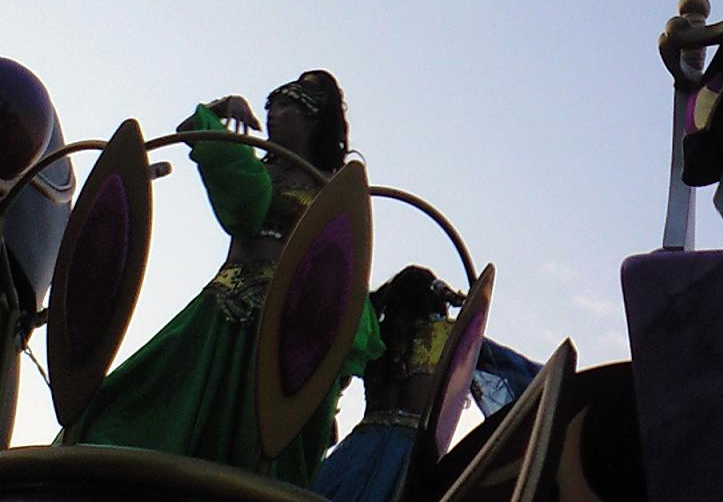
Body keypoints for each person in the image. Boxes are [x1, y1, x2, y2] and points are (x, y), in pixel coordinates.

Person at [68, 71, 384, 487]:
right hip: (221, 309)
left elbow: (342, 274)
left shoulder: (333, 190)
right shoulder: (250, 165)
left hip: (284, 328)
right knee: (134, 403)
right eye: (270, 106)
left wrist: (329, 366)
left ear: (312, 119)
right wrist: (219, 109)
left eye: (285, 107)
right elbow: (195, 135)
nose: (272, 115)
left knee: (262, 442)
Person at [313, 267, 543, 502]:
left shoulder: (377, 337)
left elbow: (331, 375)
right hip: (412, 456)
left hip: (358, 450)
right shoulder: (449, 335)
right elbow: (517, 373)